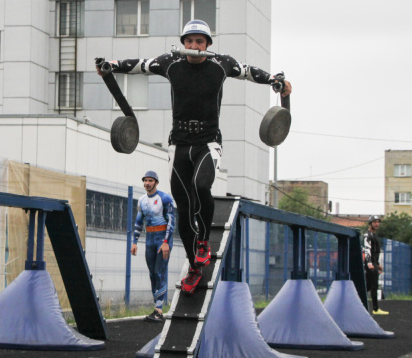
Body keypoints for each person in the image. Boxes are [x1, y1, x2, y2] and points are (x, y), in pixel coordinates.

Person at [97, 19, 292, 294]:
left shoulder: (221, 64)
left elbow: (249, 72)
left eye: (200, 41)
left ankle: (203, 241)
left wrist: (276, 80)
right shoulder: (171, 63)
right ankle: (194, 266)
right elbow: (140, 65)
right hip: (178, 145)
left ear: (207, 45)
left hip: (208, 143)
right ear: (184, 42)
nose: (194, 46)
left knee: (202, 187)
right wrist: (111, 65)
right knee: (184, 208)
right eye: (189, 41)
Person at [132, 170, 176, 321]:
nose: (147, 183)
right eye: (145, 180)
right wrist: (134, 242)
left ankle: (159, 310)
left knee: (159, 272)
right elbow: (138, 222)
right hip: (149, 238)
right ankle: (156, 308)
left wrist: (165, 243)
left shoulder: (164, 198)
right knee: (152, 273)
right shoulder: (142, 200)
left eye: (150, 181)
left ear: (156, 182)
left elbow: (171, 222)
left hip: (162, 238)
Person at [364, 215, 388, 315]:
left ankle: (355, 301)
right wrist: (369, 263)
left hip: (373, 263)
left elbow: (375, 251)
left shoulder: (374, 234)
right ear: (370, 223)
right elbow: (367, 249)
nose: (377, 224)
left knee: (367, 286)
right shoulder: (368, 235)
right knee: (374, 285)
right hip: (370, 263)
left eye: (378, 222)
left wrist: (377, 264)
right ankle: (375, 308)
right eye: (374, 222)